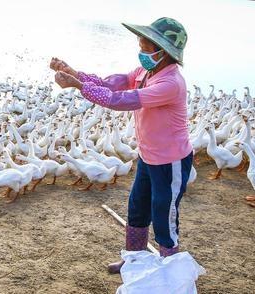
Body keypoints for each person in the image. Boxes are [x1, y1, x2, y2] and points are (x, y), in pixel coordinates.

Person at [50, 17, 193, 274]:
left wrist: (78, 86)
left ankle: (171, 270)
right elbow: (112, 84)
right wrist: (75, 74)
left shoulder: (170, 83)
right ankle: (134, 260)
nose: (141, 50)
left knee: (163, 216)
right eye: (141, 44)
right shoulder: (147, 71)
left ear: (164, 52)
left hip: (170, 161)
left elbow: (120, 100)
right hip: (148, 156)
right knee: (137, 209)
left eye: (146, 46)